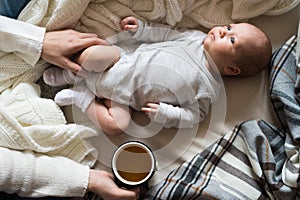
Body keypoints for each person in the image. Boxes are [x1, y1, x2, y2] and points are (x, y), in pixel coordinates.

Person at [43, 16, 272, 136]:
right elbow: (162, 34)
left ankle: (82, 98)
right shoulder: (194, 38)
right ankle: (71, 73)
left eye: (231, 39)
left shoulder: (209, 89)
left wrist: (166, 113)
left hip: (123, 98)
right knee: (96, 53)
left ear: (232, 69)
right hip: (119, 61)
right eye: (230, 27)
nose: (224, 30)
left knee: (116, 125)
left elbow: (193, 117)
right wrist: (141, 29)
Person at [0, 14, 140, 200]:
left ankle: (74, 77)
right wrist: (88, 180)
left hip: (126, 73)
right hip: (126, 67)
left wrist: (38, 41)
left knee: (92, 54)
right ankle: (80, 91)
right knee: (115, 124)